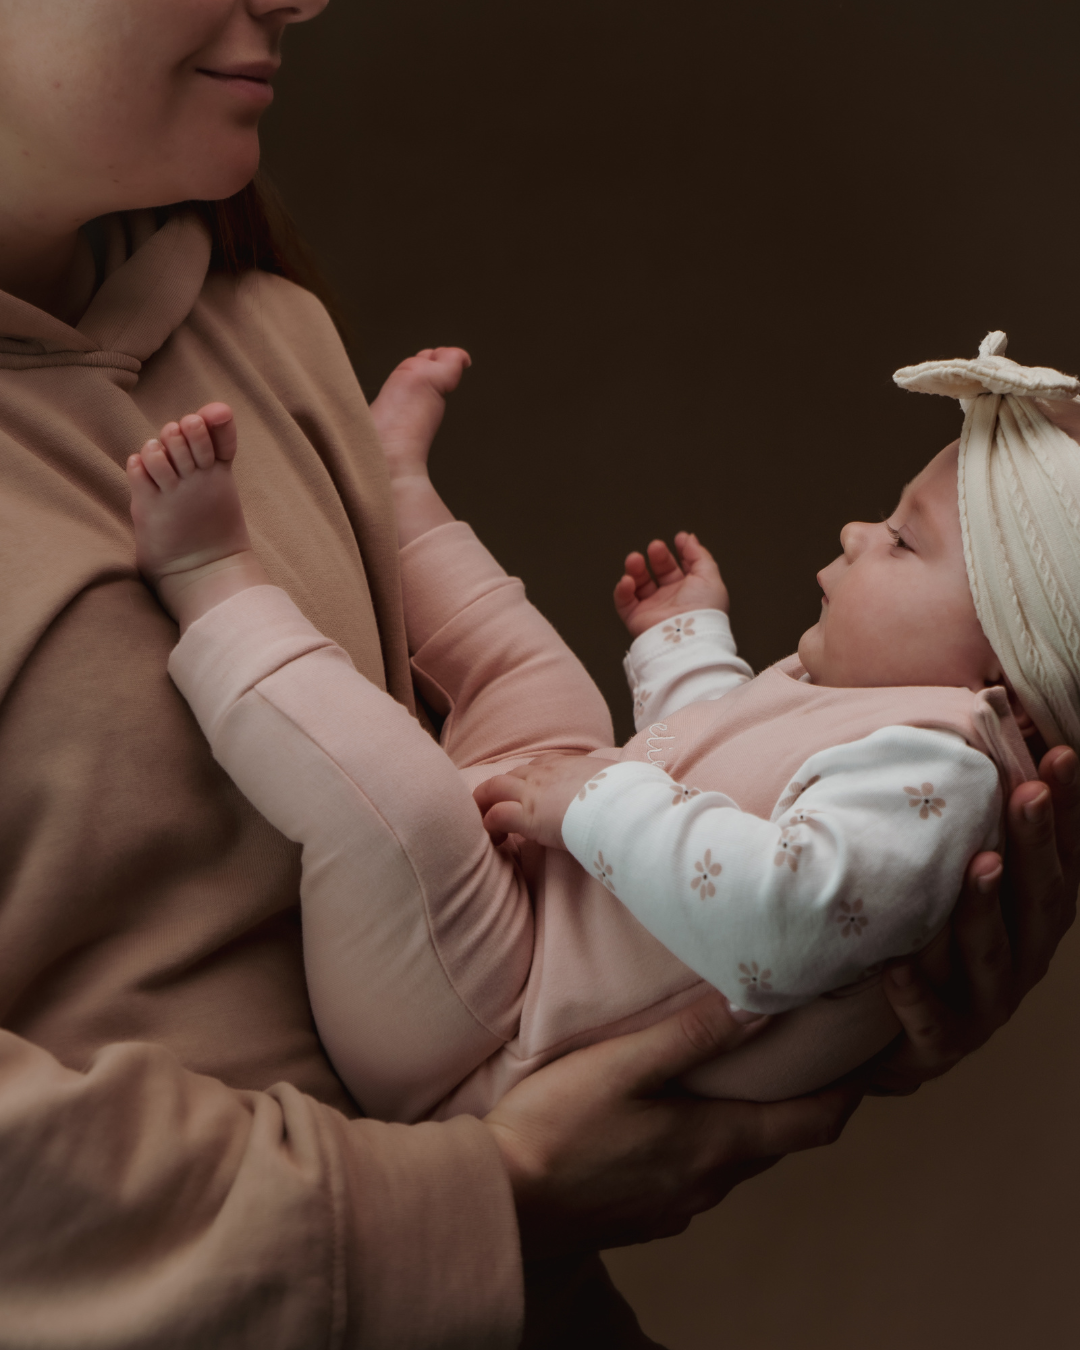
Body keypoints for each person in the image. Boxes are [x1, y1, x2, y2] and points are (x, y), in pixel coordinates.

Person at [0, 2, 1075, 1345]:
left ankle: (390, 523)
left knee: (528, 700)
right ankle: (226, 589)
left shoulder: (263, 327)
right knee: (397, 794)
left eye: (906, 543)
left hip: (513, 1098)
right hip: (352, 1200)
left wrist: (887, 972)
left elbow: (672, 830)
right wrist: (485, 1195)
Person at [121, 331, 1080, 1126]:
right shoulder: (880, 713)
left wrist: (597, 798)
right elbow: (714, 787)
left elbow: (780, 919)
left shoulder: (943, 776)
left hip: (498, 1027)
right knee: (539, 684)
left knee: (400, 803)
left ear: (1011, 658)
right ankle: (398, 499)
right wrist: (685, 645)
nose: (855, 534)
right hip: (533, 893)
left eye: (903, 540)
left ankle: (211, 583)